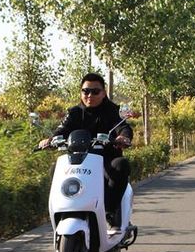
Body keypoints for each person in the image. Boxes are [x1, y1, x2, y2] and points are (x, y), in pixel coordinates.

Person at [38, 73, 133, 231]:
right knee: (55, 168)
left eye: (95, 91)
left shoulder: (113, 111)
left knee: (121, 165)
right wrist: (50, 140)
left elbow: (123, 127)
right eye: (85, 91)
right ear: (81, 92)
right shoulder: (74, 112)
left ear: (103, 93)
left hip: (106, 158)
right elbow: (62, 129)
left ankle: (110, 211)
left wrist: (123, 137)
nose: (89, 95)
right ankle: (63, 208)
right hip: (79, 159)